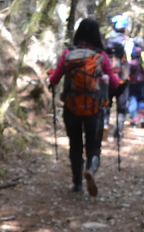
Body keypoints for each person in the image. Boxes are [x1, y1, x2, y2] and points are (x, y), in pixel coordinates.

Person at [47, 18, 122, 195]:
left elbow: (54, 79)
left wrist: (50, 77)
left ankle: (77, 184)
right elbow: (115, 83)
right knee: (94, 144)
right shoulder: (101, 56)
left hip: (72, 106)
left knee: (75, 144)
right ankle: (91, 169)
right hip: (94, 107)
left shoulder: (68, 54)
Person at [103, 14, 132, 140]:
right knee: (121, 107)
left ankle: (104, 125)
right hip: (122, 78)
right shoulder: (128, 42)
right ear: (125, 28)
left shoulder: (106, 41)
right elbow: (130, 58)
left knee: (106, 103)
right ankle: (118, 133)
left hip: (107, 78)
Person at [127, 36, 144, 128]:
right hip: (142, 81)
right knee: (141, 99)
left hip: (131, 81)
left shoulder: (129, 53)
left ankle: (134, 119)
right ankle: (142, 118)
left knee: (132, 99)